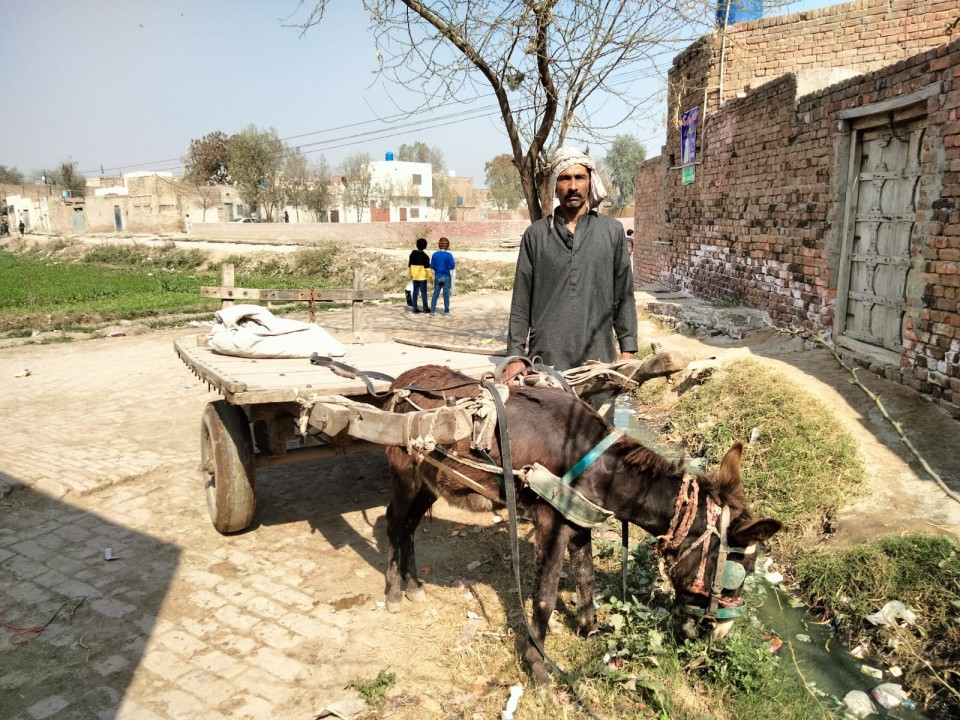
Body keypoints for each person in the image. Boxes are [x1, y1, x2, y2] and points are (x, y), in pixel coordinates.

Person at [504, 147, 638, 400]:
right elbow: (521, 300)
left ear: (590, 183)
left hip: (599, 362)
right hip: (545, 362)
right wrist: (515, 356)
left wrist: (628, 350)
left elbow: (624, 295)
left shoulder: (612, 231)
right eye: (565, 178)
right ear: (555, 186)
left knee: (598, 425)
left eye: (580, 177)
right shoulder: (536, 235)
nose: (573, 186)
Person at [429, 237, 456, 317]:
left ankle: (432, 311)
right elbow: (452, 266)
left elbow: (432, 266)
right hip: (446, 276)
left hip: (437, 276)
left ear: (439, 245)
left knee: (435, 294)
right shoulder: (449, 255)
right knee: (446, 295)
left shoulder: (435, 254)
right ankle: (446, 312)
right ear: (447, 246)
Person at [407, 237, 431, 314]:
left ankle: (415, 308)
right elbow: (427, 268)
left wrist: (410, 275)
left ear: (417, 245)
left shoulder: (412, 255)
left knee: (415, 292)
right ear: (425, 246)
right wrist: (430, 277)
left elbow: (409, 266)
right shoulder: (425, 256)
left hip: (415, 277)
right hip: (422, 277)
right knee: (423, 292)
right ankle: (425, 308)